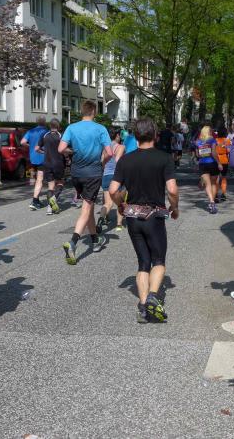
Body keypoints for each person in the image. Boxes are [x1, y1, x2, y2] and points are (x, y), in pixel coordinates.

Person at [109, 118, 179, 323]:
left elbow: (113, 190)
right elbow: (172, 190)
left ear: (136, 136)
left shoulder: (126, 160)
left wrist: (120, 205)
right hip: (154, 217)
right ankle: (152, 297)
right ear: (155, 135)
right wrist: (174, 207)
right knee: (158, 260)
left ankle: (143, 308)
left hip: (132, 217)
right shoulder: (164, 158)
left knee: (143, 262)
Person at [59, 101, 113, 264]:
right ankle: (73, 242)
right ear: (94, 112)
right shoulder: (100, 129)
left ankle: (95, 240)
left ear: (82, 111)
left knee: (88, 205)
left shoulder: (71, 128)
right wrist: (102, 163)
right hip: (93, 173)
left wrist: (71, 151)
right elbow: (110, 153)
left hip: (76, 173)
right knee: (87, 208)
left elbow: (61, 149)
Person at [97, 127, 126, 233]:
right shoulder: (121, 147)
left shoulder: (106, 147)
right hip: (117, 177)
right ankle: (119, 224)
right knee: (120, 201)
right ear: (117, 135)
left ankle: (101, 220)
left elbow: (102, 161)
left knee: (108, 203)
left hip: (106, 176)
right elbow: (118, 160)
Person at [36, 118, 65, 215]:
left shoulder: (45, 135)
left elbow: (37, 148)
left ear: (50, 126)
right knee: (60, 183)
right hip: (58, 163)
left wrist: (44, 152)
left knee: (50, 186)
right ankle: (54, 199)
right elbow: (63, 149)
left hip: (47, 163)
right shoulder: (61, 135)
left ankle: (49, 208)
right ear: (58, 126)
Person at [21, 116, 49, 209]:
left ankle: (37, 199)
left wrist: (31, 146)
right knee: (40, 180)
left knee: (36, 179)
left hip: (32, 158)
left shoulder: (31, 131)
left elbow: (22, 142)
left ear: (37, 122)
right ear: (45, 122)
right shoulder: (46, 132)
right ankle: (35, 201)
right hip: (43, 158)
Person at [194, 125, 221, 214]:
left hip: (203, 164)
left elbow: (198, 155)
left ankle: (211, 201)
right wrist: (219, 163)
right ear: (209, 132)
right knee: (213, 183)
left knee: (207, 184)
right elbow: (213, 153)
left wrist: (203, 153)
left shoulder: (198, 142)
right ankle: (212, 202)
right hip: (212, 163)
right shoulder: (212, 140)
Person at [214, 126, 231, 202]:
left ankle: (216, 194)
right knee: (223, 177)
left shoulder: (215, 140)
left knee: (217, 178)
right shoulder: (227, 141)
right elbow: (228, 150)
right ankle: (223, 194)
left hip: (216, 160)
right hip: (224, 160)